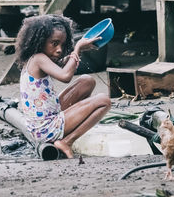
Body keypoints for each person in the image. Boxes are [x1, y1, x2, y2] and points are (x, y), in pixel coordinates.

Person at [14, 14, 111, 158]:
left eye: (62, 44)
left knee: (87, 81)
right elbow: (65, 76)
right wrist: (77, 48)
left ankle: (70, 126)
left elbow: (64, 64)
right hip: (46, 129)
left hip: (49, 118)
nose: (59, 49)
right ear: (40, 41)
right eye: (54, 43)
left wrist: (80, 51)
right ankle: (67, 141)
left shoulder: (38, 58)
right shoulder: (38, 59)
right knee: (104, 101)